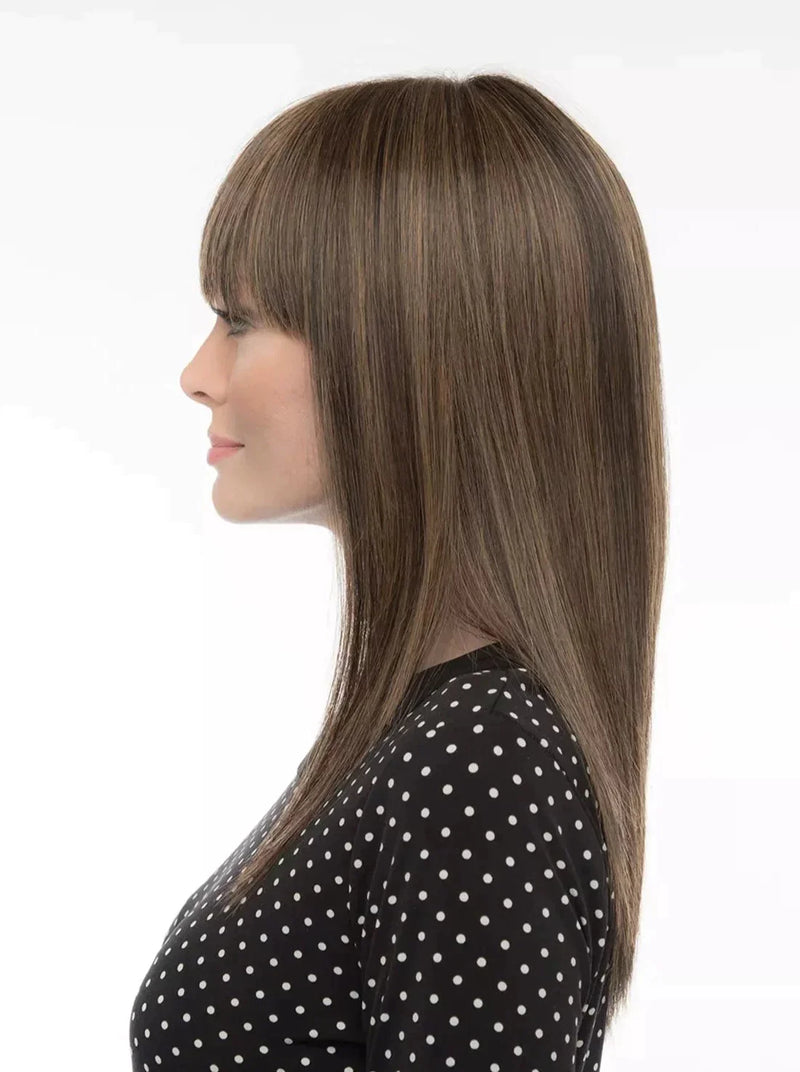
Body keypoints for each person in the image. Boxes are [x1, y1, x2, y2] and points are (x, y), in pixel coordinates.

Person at [130, 70, 667, 1072]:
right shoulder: (429, 736)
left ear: (414, 349)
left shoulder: (482, 759)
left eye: (240, 319)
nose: (198, 374)